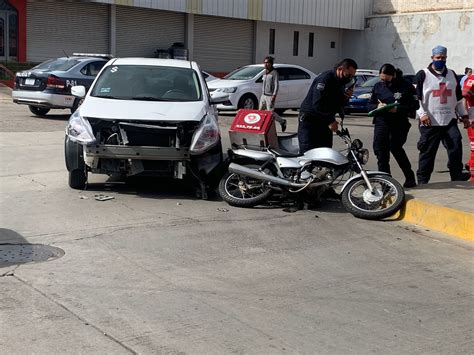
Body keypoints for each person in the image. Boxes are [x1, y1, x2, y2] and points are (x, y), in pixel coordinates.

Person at [415, 45, 470, 184]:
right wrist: (422, 114)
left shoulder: (452, 74)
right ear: (432, 58)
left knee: (456, 146)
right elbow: (416, 99)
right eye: (438, 58)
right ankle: (423, 181)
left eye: (443, 58)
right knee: (427, 152)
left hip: (449, 120)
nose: (441, 60)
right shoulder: (423, 74)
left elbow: (457, 100)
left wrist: (464, 116)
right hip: (430, 122)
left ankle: (456, 175)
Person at [368, 64, 419, 188]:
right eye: (381, 79)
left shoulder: (406, 86)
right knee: (381, 152)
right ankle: (385, 183)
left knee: (395, 148)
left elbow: (415, 105)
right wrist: (377, 107)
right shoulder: (378, 87)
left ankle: (409, 177)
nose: (383, 81)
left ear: (394, 75)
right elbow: (370, 105)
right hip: (381, 123)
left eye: (386, 79)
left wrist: (398, 109)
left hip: (399, 123)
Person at [297, 58, 357, 153]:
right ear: (340, 69)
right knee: (308, 153)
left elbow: (336, 103)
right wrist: (331, 121)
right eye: (348, 75)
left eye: (352, 76)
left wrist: (346, 98)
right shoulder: (325, 79)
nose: (349, 78)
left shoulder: (340, 82)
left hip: (324, 120)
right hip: (310, 120)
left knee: (325, 152)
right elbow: (317, 104)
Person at [259, 56, 287, 132]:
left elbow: (276, 85)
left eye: (267, 62)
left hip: (270, 96)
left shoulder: (274, 73)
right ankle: (261, 127)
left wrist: (274, 95)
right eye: (264, 62)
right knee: (261, 112)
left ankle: (282, 121)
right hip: (263, 96)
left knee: (270, 113)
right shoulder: (265, 72)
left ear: (271, 64)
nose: (265, 64)